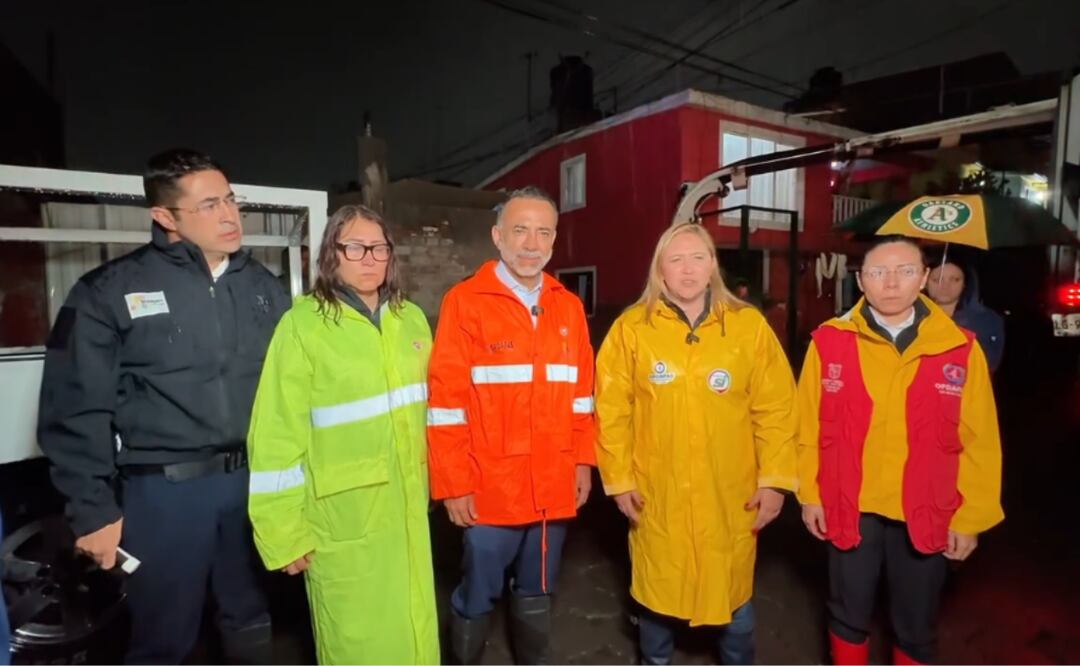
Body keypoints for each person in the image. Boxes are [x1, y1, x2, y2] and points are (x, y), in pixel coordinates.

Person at [36, 148, 288, 664]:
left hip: (253, 483)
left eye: (231, 199)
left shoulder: (264, 288)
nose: (228, 215)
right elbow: (74, 409)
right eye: (209, 205)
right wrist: (92, 510)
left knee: (252, 618)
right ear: (164, 217)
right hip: (166, 493)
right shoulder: (109, 292)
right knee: (165, 636)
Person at [595, 222, 799, 665]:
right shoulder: (633, 328)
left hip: (731, 495)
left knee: (735, 608)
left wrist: (776, 481)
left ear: (713, 266)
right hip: (657, 493)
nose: (687, 270)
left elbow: (777, 410)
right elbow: (612, 411)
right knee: (656, 604)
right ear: (660, 271)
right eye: (676, 260)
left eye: (698, 258)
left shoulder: (748, 327)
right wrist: (619, 477)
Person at [796, 236, 1003, 665]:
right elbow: (806, 425)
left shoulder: (960, 349)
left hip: (925, 508)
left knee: (915, 623)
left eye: (905, 271)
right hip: (849, 502)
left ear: (924, 278)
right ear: (861, 281)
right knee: (846, 614)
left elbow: (980, 440)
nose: (891, 283)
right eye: (878, 272)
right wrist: (810, 493)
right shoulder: (829, 342)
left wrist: (970, 518)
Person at [246, 205, 439, 664]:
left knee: (415, 630)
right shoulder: (303, 326)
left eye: (379, 247)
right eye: (354, 247)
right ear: (331, 254)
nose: (369, 257)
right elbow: (275, 433)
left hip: (409, 510)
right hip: (342, 521)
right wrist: (282, 529)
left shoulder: (409, 318)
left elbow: (434, 411)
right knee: (357, 643)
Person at [426, 186, 596, 664]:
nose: (531, 243)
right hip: (489, 492)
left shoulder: (568, 307)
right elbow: (445, 404)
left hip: (552, 489)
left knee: (538, 592)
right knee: (477, 596)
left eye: (543, 232)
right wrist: (454, 484)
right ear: (497, 237)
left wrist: (584, 460)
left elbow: (583, 397)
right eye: (520, 230)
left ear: (554, 240)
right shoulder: (466, 302)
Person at [926, 254, 1005, 373]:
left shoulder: (986, 320)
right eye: (937, 279)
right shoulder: (908, 317)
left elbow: (990, 364)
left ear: (965, 283)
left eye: (955, 279)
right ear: (924, 282)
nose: (946, 286)